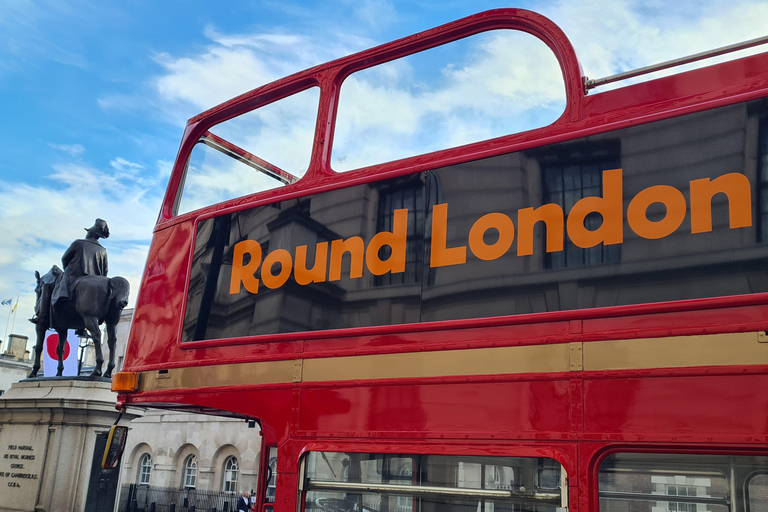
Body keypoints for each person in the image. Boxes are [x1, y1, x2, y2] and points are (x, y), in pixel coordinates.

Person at [50, 218, 109, 307]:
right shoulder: (103, 251)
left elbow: (64, 259)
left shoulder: (78, 243)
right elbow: (105, 272)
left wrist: (67, 272)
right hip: (96, 280)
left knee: (47, 285)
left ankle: (43, 315)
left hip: (74, 276)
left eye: (89, 230)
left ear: (93, 232)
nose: (87, 232)